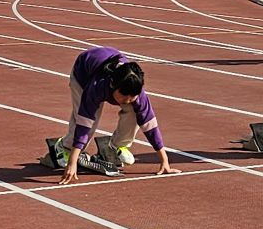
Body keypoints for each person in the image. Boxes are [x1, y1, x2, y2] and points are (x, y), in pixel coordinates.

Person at [55, 47, 177, 182]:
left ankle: (117, 145)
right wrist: (72, 162)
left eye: (132, 98)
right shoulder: (96, 87)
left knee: (134, 112)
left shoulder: (136, 91)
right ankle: (64, 146)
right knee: (90, 121)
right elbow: (84, 124)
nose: (128, 101)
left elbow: (149, 125)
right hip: (83, 75)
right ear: (112, 84)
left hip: (115, 76)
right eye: (124, 97)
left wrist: (164, 160)